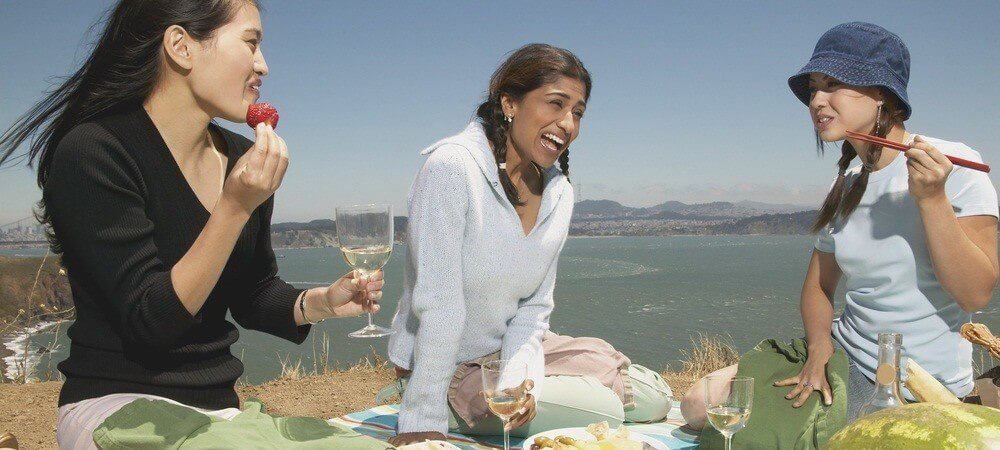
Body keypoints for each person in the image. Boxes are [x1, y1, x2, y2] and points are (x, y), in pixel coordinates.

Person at [0, 1, 385, 448]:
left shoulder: (241, 156)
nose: (264, 65)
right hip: (119, 405)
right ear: (182, 47)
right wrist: (234, 207)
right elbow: (150, 320)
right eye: (251, 42)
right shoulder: (94, 152)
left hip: (219, 412)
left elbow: (253, 291)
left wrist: (321, 302)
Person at [682, 22, 998, 439]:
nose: (817, 101)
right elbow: (818, 286)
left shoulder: (952, 165)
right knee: (697, 403)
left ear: (882, 93)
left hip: (907, 380)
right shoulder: (850, 179)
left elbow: (976, 293)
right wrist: (818, 350)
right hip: (840, 355)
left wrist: (932, 199)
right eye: (813, 88)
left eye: (834, 85)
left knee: (753, 436)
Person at [386, 43, 673, 447]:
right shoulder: (451, 168)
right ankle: (415, 401)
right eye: (555, 104)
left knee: (653, 399)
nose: (568, 123)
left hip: (506, 353)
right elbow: (439, 302)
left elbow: (535, 308)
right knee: (607, 409)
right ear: (509, 103)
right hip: (447, 370)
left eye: (577, 112)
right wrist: (420, 419)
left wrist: (519, 382)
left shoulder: (560, 193)